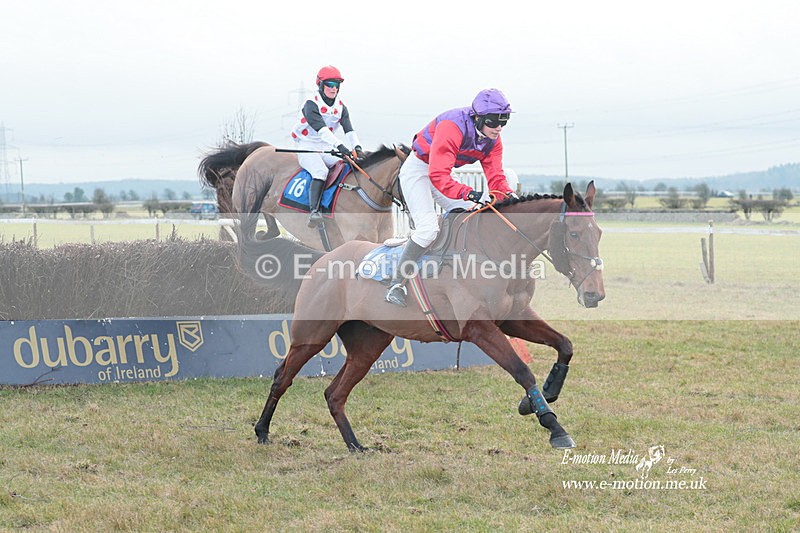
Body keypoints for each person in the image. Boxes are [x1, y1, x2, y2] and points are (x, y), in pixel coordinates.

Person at [385, 88, 516, 307]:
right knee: (428, 230)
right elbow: (437, 175)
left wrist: (511, 197)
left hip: (443, 170)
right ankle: (396, 283)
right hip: (419, 170)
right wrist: (470, 193)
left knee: (473, 216)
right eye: (494, 121)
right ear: (479, 117)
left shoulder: (494, 139)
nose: (499, 127)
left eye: (505, 121)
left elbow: (496, 179)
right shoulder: (452, 126)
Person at [290, 65, 365, 227]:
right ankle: (314, 212)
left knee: (346, 164)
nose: (333, 88)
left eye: (337, 85)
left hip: (325, 145)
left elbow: (349, 129)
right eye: (329, 84)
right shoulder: (310, 104)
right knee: (321, 171)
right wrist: (340, 146)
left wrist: (357, 147)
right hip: (306, 145)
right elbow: (322, 130)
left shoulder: (341, 107)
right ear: (320, 85)